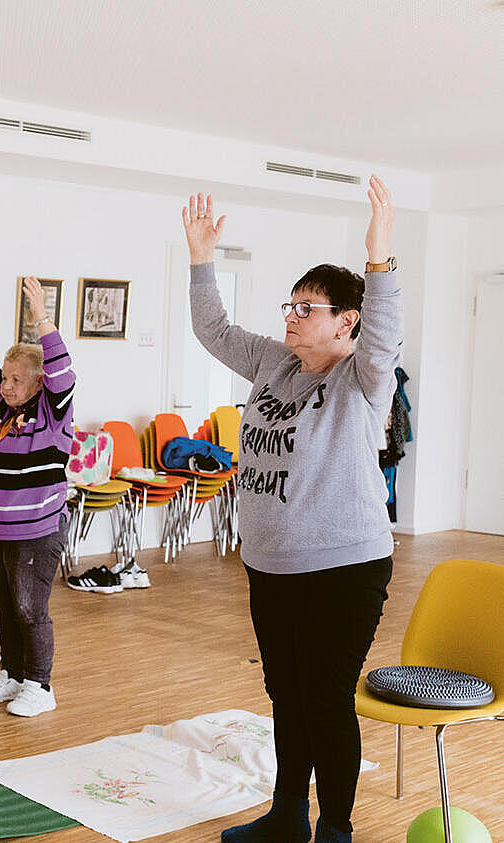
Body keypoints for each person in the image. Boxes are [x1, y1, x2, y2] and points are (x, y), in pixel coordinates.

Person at [184, 178, 400, 843]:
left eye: (309, 307)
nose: (293, 316)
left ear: (347, 321)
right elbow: (213, 329)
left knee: (324, 697)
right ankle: (287, 815)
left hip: (344, 566)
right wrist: (200, 258)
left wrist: (379, 257)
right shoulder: (275, 363)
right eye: (292, 303)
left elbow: (386, 333)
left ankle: (335, 828)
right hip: (270, 565)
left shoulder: (362, 379)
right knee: (286, 694)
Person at [0, 275, 75, 717]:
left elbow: (63, 367)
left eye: (15, 379)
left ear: (37, 383)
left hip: (36, 529)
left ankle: (40, 685)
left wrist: (41, 317)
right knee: (4, 605)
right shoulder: (0, 406)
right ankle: (13, 675)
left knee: (31, 608)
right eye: (5, 377)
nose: (5, 385)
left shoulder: (52, 410)